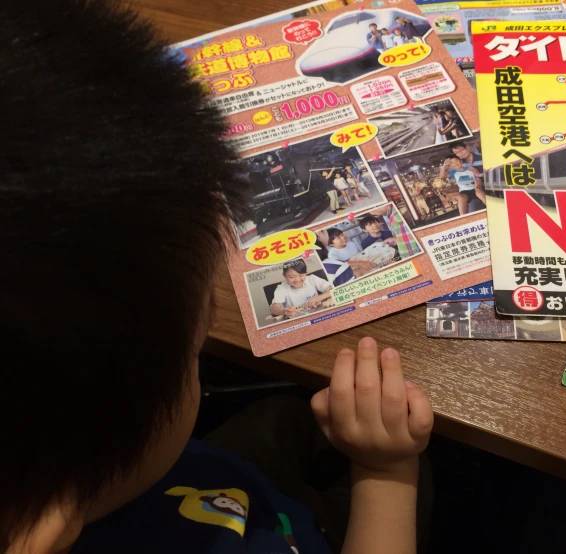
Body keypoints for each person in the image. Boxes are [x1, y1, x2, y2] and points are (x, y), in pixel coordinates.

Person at [1, 2, 435, 553]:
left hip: (197, 472)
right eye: (195, 347)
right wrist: (388, 473)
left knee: (284, 415)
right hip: (291, 520)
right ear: (42, 522)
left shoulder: (59, 471)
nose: (211, 315)